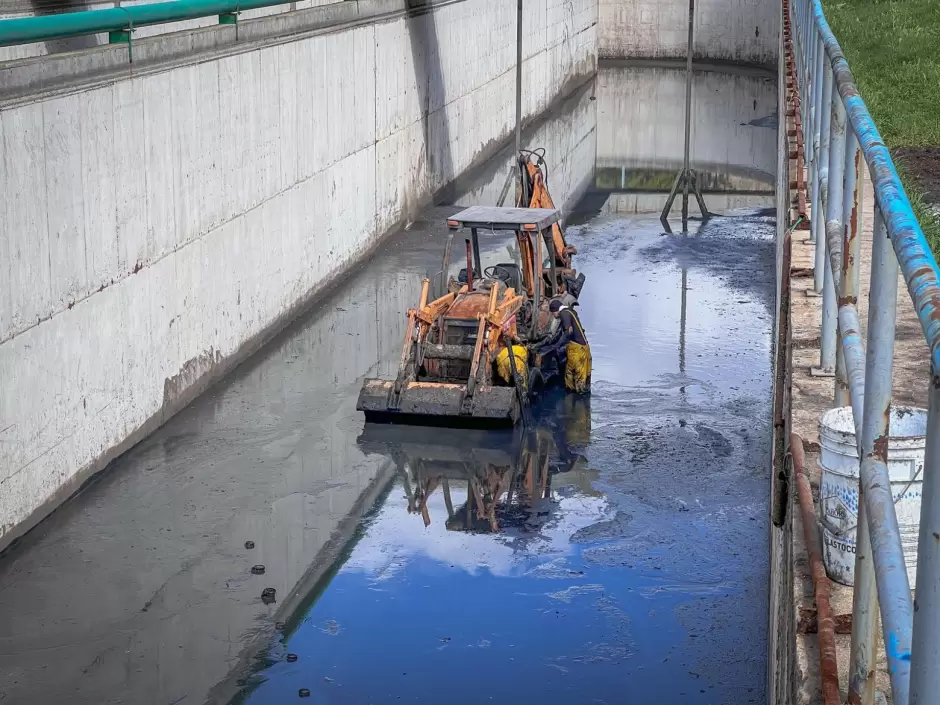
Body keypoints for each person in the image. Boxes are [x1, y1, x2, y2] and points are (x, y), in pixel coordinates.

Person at [545, 298, 592, 393]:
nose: (553, 316)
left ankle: (573, 397)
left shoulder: (564, 314)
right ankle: (582, 395)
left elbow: (569, 331)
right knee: (583, 375)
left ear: (555, 310)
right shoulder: (570, 311)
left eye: (553, 313)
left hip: (577, 349)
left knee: (571, 374)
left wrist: (557, 345)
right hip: (584, 347)